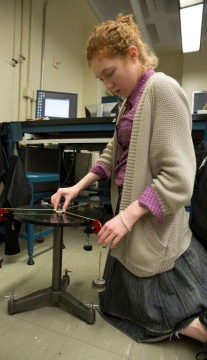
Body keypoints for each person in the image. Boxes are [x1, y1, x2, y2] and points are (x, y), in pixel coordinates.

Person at [51, 13, 207, 346]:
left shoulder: (162, 89)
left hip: (148, 218)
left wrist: (128, 215)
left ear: (133, 54)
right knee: (126, 302)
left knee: (171, 307)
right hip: (130, 216)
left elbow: (179, 179)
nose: (108, 84)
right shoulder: (128, 103)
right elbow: (112, 153)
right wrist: (76, 186)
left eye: (110, 73)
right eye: (100, 79)